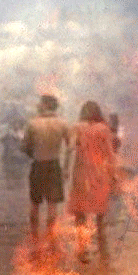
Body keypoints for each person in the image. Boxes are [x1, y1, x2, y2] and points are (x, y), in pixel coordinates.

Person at [66, 101, 117, 262]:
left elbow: (70, 150)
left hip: (80, 173)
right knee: (100, 215)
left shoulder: (77, 128)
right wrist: (114, 175)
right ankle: (103, 251)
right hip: (99, 174)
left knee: (80, 214)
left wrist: (66, 171)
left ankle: (82, 251)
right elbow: (110, 155)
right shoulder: (103, 129)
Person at [22, 94, 71, 241]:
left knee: (35, 203)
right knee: (52, 205)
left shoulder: (32, 124)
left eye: (40, 103)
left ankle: (35, 238)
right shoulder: (62, 123)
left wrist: (33, 153)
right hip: (54, 165)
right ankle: (51, 238)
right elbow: (70, 147)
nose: (37, 105)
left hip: (38, 164)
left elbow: (25, 147)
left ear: (44, 105)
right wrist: (66, 168)